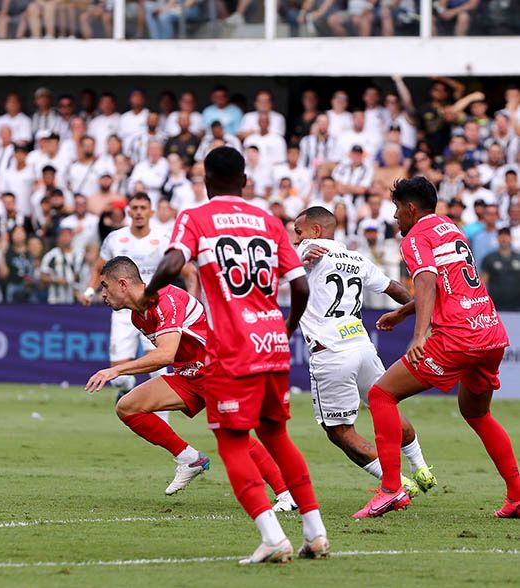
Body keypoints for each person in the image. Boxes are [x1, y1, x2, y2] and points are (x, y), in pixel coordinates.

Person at [144, 146, 329, 564]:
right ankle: (315, 533)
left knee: (231, 442)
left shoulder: (196, 216)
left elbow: (174, 261)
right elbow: (299, 288)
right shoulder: (269, 221)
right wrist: (285, 328)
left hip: (231, 347)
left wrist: (153, 290)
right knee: (277, 436)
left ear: (206, 180)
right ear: (245, 180)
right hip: (273, 344)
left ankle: (273, 537)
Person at [357, 176, 519, 519]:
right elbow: (450, 283)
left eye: (398, 210)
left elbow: (427, 280)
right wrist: (403, 311)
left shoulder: (416, 237)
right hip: (490, 332)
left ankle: (390, 490)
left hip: (458, 337)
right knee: (477, 414)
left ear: (412, 209)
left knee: (381, 395)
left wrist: (419, 334)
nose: (396, 217)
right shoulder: (449, 228)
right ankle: (517, 495)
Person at [85, 256, 297, 510]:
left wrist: (115, 370)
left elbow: (165, 355)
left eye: (105, 286)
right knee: (128, 406)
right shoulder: (137, 318)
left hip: (220, 369)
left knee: (234, 435)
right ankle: (189, 459)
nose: (102, 293)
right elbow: (172, 356)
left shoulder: (165, 299)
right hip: (189, 375)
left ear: (122, 284)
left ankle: (287, 494)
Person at [292, 207, 436, 496]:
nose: (296, 239)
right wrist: (420, 315)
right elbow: (394, 287)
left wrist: (300, 254)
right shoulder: (356, 258)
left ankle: (397, 484)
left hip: (331, 352)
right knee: (386, 406)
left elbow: (285, 264)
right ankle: (420, 467)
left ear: (316, 230)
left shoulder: (309, 249)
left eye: (298, 231)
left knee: (339, 431)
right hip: (362, 346)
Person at [83, 193, 193, 401]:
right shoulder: (115, 239)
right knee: (118, 374)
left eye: (143, 208)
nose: (139, 212)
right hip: (124, 311)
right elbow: (99, 269)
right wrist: (90, 291)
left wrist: (190, 301)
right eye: (135, 208)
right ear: (129, 212)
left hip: (155, 308)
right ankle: (127, 386)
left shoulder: (162, 239)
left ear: (151, 212)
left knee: (159, 365)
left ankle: (161, 417)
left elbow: (188, 272)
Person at [480, 227, 520, 311]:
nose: (504, 239)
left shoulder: (518, 257)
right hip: (496, 306)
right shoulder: (489, 258)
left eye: (506, 236)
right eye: (501, 236)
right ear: (497, 239)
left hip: (517, 306)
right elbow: (483, 282)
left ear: (511, 238)